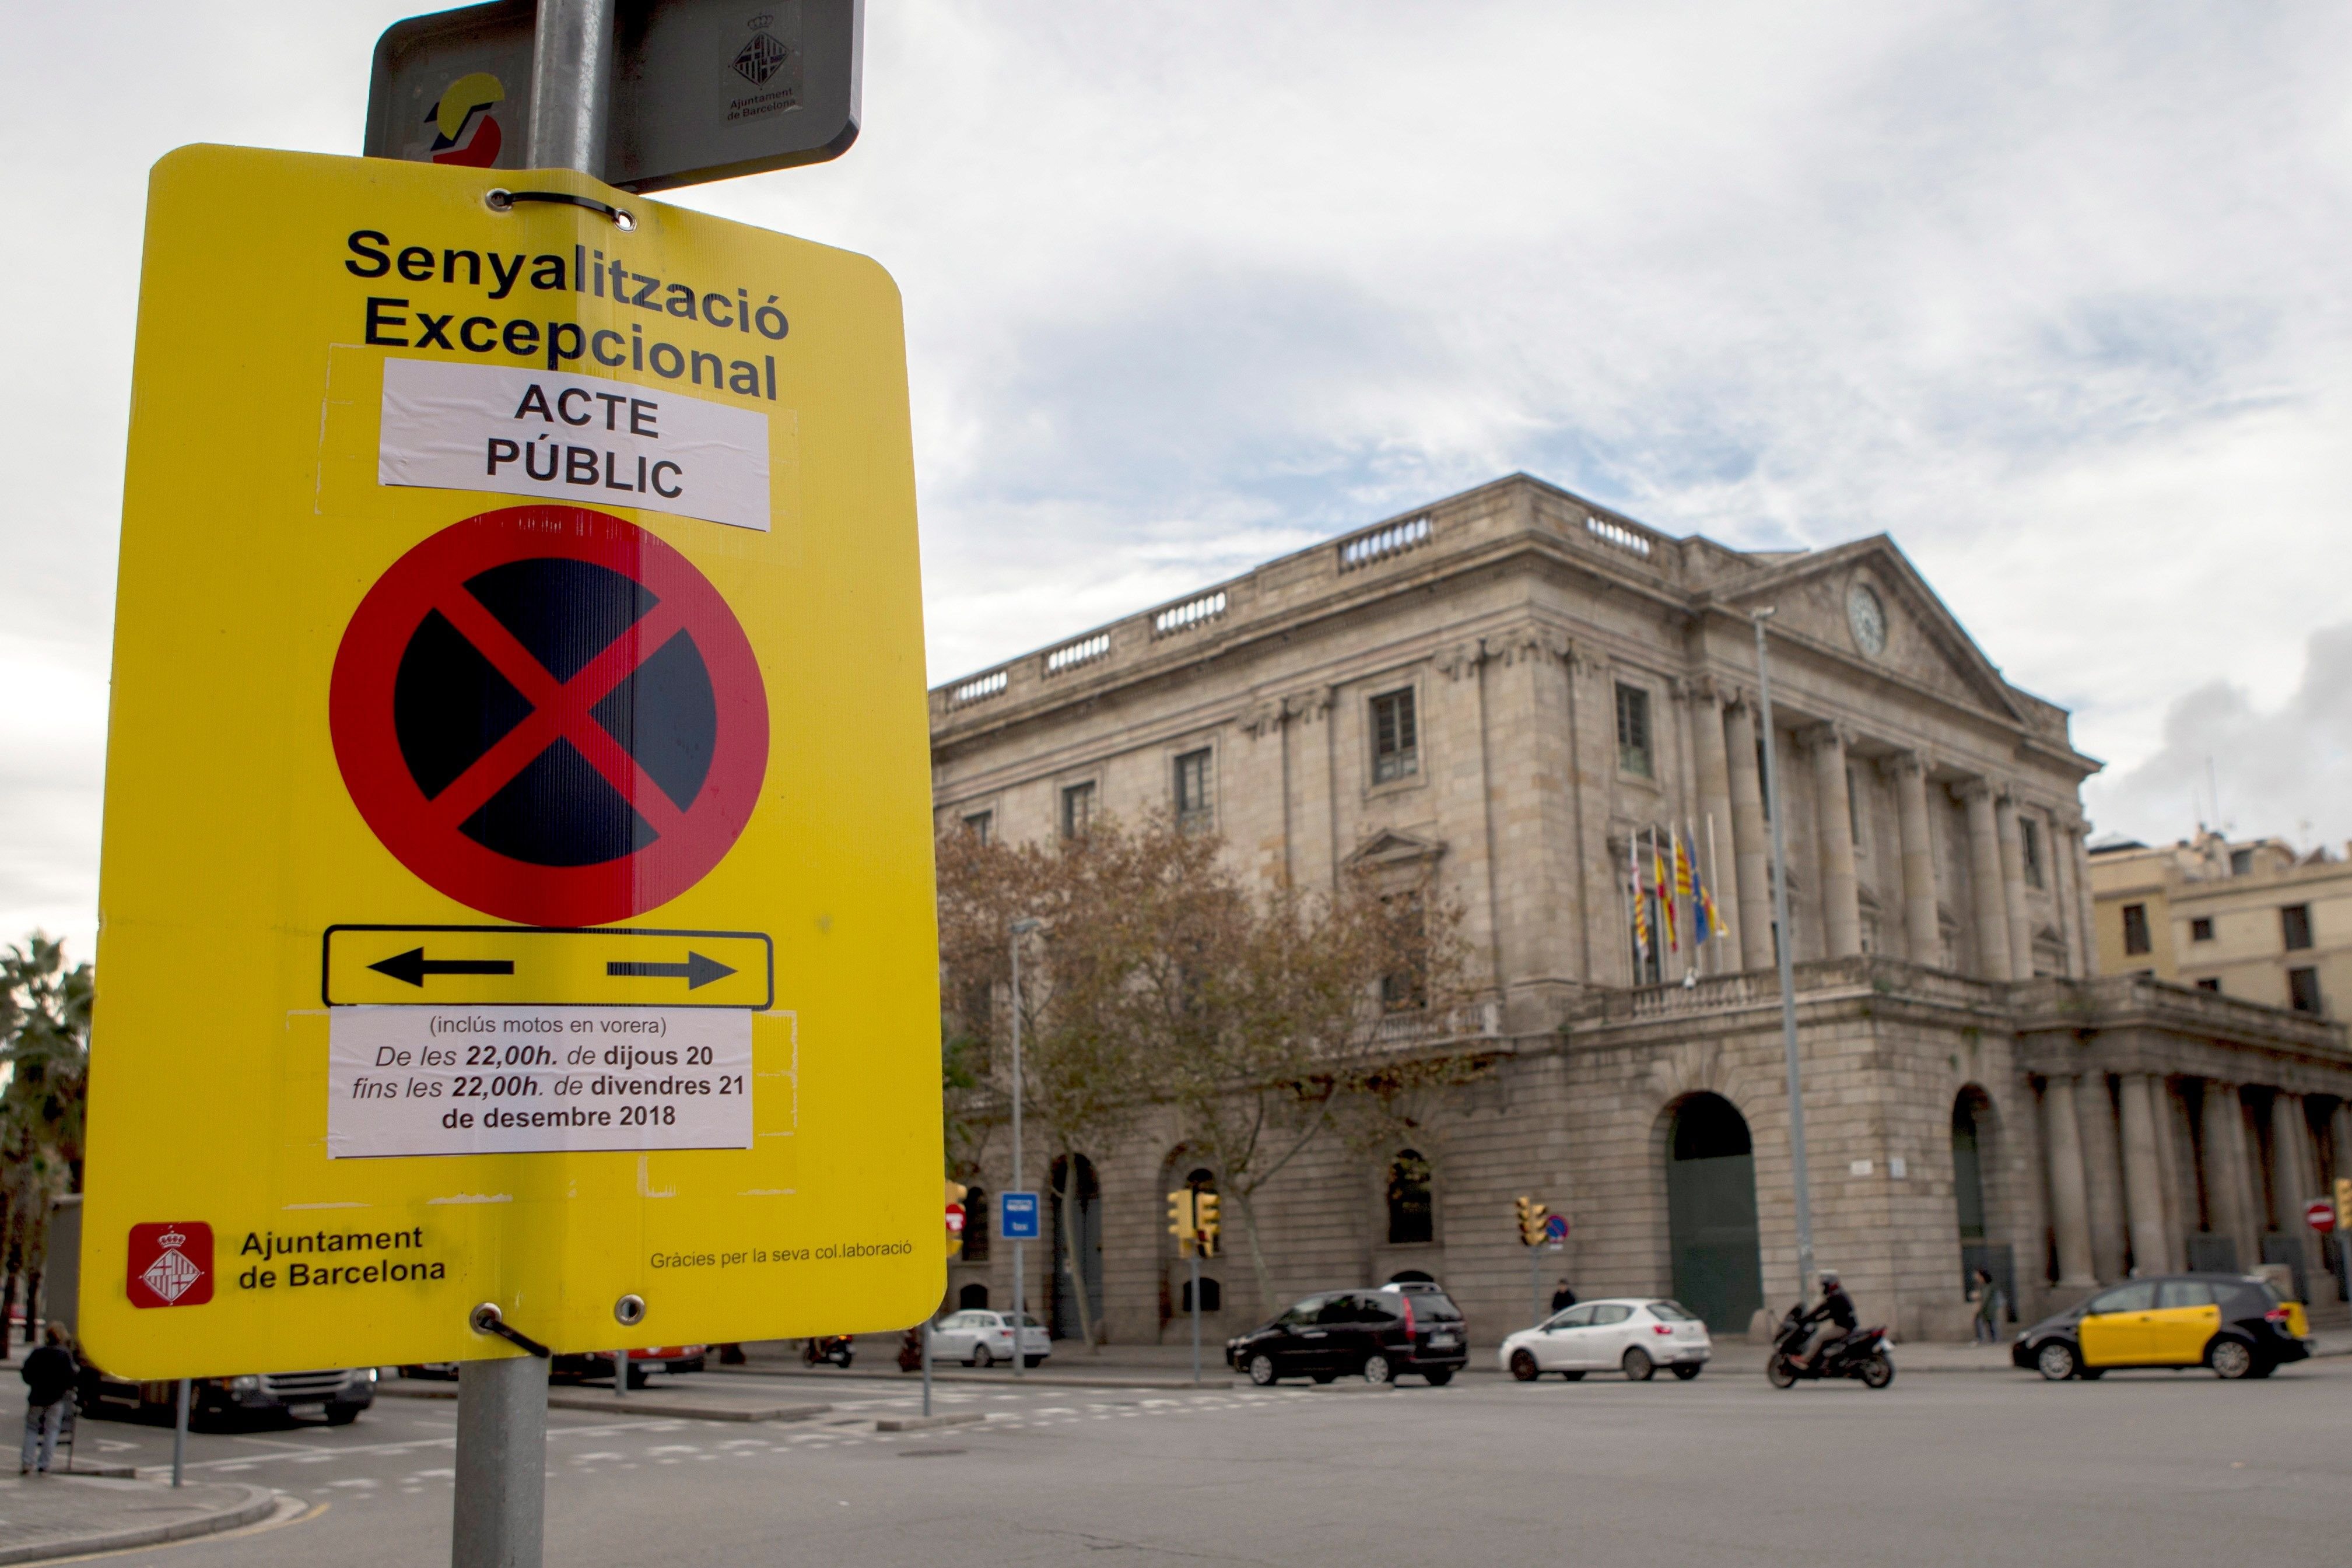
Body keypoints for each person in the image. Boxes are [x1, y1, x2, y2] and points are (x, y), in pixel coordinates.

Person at [20, 1326, 76, 1476]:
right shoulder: (64, 1355)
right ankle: (44, 1465)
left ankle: (27, 1462)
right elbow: (71, 1377)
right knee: (51, 1431)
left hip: (37, 1396)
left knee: (32, 1429)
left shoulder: (38, 1353)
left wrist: (34, 1383)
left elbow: (26, 1373)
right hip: (56, 1399)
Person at [1785, 1271, 1856, 1371]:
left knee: (1820, 1338)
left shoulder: (1835, 1296)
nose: (1824, 1288)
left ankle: (1806, 1360)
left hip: (1843, 1328)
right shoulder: (1839, 1294)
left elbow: (1822, 1310)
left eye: (1825, 1285)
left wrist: (1807, 1319)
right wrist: (1814, 1319)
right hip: (1847, 1326)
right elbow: (1829, 1313)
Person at [1970, 1268, 2004, 1345]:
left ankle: (1988, 1339)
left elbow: (1986, 1298)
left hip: (1989, 1309)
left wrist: (1981, 1309)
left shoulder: (1989, 1286)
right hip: (1987, 1309)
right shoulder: (1983, 1286)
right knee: (1990, 1324)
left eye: (1979, 1277)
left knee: (1990, 1323)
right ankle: (1991, 1339)